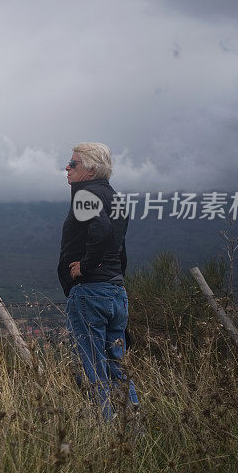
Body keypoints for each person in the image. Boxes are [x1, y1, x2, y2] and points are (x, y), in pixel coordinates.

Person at [58, 142, 138, 420]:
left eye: (73, 164)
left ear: (91, 169)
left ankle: (106, 436)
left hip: (90, 293)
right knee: (118, 367)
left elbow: (101, 230)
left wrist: (86, 268)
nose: (66, 168)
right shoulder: (115, 198)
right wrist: (114, 279)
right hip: (115, 292)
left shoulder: (85, 196)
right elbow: (119, 247)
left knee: (93, 368)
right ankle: (134, 433)